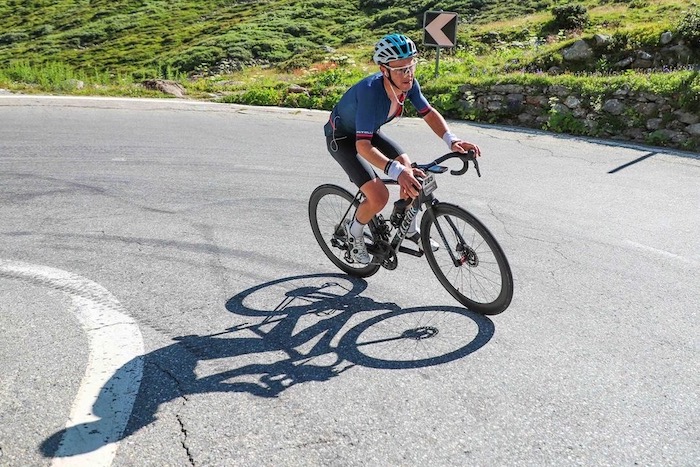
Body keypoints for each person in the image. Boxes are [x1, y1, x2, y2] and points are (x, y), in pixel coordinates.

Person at [324, 33, 481, 264]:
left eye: (411, 66)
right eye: (400, 69)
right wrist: (396, 171)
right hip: (343, 139)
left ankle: (409, 229)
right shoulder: (370, 93)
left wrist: (452, 140)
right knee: (379, 196)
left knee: (410, 171)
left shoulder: (408, 84)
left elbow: (428, 113)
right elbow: (363, 146)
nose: (408, 74)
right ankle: (354, 232)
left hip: (368, 132)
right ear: (384, 70)